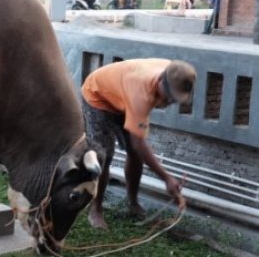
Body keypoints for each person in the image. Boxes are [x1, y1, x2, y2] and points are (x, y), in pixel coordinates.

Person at [81, 58, 196, 229]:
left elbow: (136, 148)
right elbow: (138, 143)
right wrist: (167, 178)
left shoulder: (176, 72)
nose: (170, 102)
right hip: (98, 96)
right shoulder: (140, 93)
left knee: (135, 155)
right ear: (160, 81)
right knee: (103, 156)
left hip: (123, 96)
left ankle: (133, 203)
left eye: (175, 99)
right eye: (170, 97)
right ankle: (96, 209)